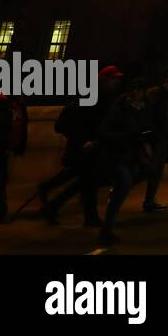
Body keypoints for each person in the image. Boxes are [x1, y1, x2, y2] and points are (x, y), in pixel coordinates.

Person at [39, 64, 124, 227]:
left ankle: (52, 201)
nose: (115, 83)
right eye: (113, 79)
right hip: (84, 148)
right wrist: (83, 141)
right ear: (104, 80)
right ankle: (85, 215)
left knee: (85, 182)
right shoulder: (90, 98)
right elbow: (70, 124)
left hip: (94, 147)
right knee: (87, 182)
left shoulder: (106, 98)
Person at [98, 79, 153, 245]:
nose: (137, 94)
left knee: (136, 178)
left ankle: (108, 226)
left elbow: (145, 128)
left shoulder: (143, 110)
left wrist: (144, 140)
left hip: (132, 154)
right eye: (134, 90)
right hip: (116, 154)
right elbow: (105, 132)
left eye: (139, 90)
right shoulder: (120, 109)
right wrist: (128, 136)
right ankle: (107, 229)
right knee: (124, 183)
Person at [143, 71, 168, 212]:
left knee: (155, 170)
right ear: (167, 83)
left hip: (162, 138)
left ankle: (150, 199)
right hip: (157, 138)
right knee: (152, 170)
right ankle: (149, 200)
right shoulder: (161, 97)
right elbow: (152, 118)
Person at [0, 93, 28, 224]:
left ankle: (0, 212)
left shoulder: (14, 104)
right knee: (0, 181)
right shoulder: (4, 104)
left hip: (3, 149)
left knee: (1, 181)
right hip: (0, 149)